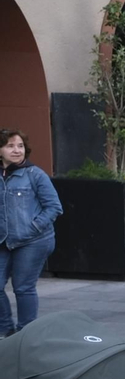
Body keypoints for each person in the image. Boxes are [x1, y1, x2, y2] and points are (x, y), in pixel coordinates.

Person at [0, 129, 62, 337]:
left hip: (33, 241)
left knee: (22, 287)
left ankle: (25, 334)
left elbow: (54, 207)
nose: (16, 150)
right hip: (4, 241)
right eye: (10, 146)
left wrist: (33, 227)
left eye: (20, 146)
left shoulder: (35, 174)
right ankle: (6, 331)